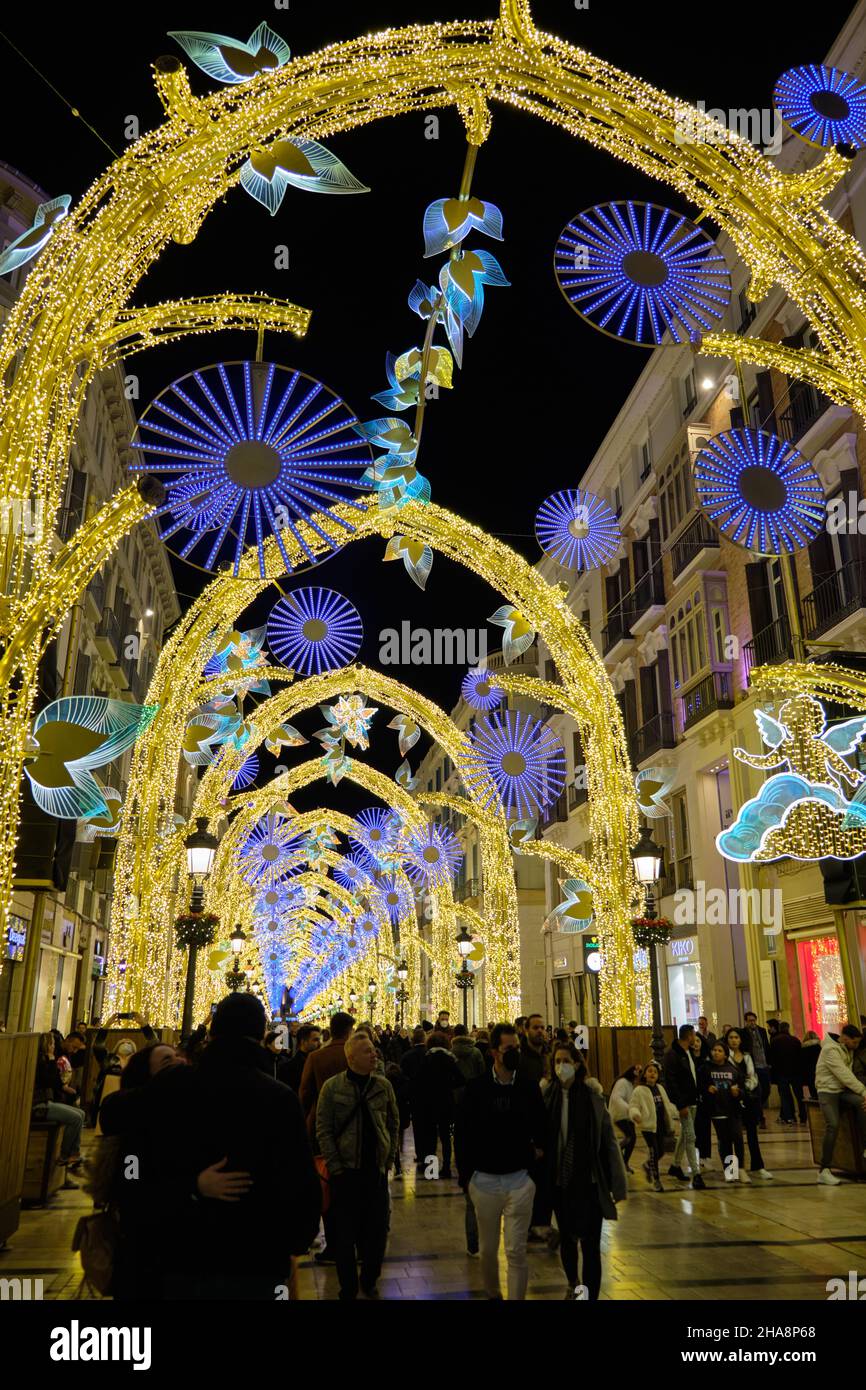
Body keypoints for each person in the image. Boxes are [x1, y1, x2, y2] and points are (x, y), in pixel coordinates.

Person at [454, 1023, 546, 1300]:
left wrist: (533, 1170)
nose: (514, 1053)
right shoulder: (477, 1089)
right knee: (488, 1249)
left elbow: (542, 1128)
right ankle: (493, 1293)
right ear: (495, 1052)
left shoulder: (528, 1087)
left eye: (517, 1048)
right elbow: (463, 1134)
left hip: (519, 1180)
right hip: (484, 1182)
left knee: (516, 1251)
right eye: (509, 1049)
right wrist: (467, 1178)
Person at [317, 1032, 399, 1300]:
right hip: (345, 1173)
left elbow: (393, 1123)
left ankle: (370, 1278)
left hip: (374, 1171)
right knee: (344, 1236)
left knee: (376, 1233)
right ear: (351, 1057)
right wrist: (335, 1166)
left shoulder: (382, 1086)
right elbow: (324, 1129)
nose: (374, 1055)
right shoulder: (332, 1087)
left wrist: (387, 1160)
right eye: (367, 1051)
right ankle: (348, 1287)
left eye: (374, 1050)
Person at [543, 1041, 626, 1299]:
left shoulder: (592, 1098)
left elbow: (609, 1142)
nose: (561, 1066)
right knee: (567, 1239)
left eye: (566, 1061)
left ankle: (589, 1295)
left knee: (590, 1245)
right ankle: (573, 1282)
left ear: (577, 1064)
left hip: (589, 1181)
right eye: (557, 1061)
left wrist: (617, 1182)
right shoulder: (547, 1097)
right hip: (560, 1181)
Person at [814, 1023, 866, 1185]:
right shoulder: (830, 1049)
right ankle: (824, 1169)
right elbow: (844, 1075)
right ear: (844, 1038)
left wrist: (862, 1096)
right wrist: (864, 1091)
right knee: (833, 1124)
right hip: (827, 1090)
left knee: (861, 1104)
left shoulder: (847, 1050)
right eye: (854, 1042)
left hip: (841, 1091)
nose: (856, 1046)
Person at [31, 1033, 86, 1171]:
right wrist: (51, 1059)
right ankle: (65, 1155)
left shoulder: (49, 1058)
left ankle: (74, 1153)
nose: (54, 1047)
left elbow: (55, 1079)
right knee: (75, 1118)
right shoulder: (41, 1060)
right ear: (47, 1046)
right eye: (52, 1045)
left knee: (81, 1114)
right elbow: (50, 1080)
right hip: (39, 1104)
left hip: (47, 1100)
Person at [723, 1028, 772, 1179]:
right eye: (731, 1037)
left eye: (736, 1037)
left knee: (752, 1133)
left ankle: (758, 1166)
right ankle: (732, 1170)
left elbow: (752, 1076)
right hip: (731, 1100)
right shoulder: (725, 1057)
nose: (734, 1040)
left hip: (748, 1099)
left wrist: (746, 1088)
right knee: (732, 1136)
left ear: (741, 1040)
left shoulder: (747, 1057)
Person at [413, 1031, 463, 1178]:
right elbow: (461, 1079)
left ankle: (432, 1170)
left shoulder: (426, 1058)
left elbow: (418, 1080)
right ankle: (446, 1167)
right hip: (446, 1101)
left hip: (429, 1102)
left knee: (431, 1137)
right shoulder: (450, 1059)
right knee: (446, 1137)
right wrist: (448, 1085)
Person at [299, 1010, 354, 1140]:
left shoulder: (315, 1057)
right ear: (349, 1032)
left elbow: (305, 1091)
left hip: (321, 1117)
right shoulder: (353, 1055)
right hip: (351, 1118)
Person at [699, 1041, 749, 1182]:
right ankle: (729, 1170)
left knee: (737, 1137)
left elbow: (743, 1089)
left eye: (719, 1050)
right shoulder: (706, 1069)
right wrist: (707, 1090)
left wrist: (737, 1093)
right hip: (717, 1109)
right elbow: (700, 1087)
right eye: (714, 1050)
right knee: (724, 1140)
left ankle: (741, 1169)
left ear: (725, 1054)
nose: (716, 1052)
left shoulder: (733, 1069)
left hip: (733, 1109)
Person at [663, 1024, 704, 1189]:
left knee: (686, 1135)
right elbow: (671, 1083)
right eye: (694, 1034)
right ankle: (696, 1174)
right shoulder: (672, 1055)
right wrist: (681, 1104)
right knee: (691, 1137)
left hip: (692, 1100)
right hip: (684, 1103)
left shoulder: (688, 1053)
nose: (696, 1037)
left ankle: (675, 1165)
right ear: (689, 1036)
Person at [628, 1061, 678, 1191]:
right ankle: (656, 1180)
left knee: (661, 1150)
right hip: (648, 1126)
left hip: (660, 1124)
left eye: (655, 1072)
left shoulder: (660, 1088)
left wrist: (675, 1112)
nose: (652, 1074)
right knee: (654, 1150)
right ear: (644, 1075)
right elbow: (633, 1106)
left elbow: (667, 1104)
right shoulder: (639, 1090)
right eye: (649, 1071)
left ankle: (647, 1165)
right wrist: (635, 1114)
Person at [770, 1021, 805, 1124]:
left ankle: (790, 1117)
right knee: (799, 1095)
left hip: (781, 1072)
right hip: (795, 1072)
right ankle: (803, 1116)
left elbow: (773, 1059)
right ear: (788, 1028)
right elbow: (800, 1057)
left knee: (785, 1096)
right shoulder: (795, 1040)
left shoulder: (775, 1041)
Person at [607, 1064, 640, 1172]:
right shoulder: (622, 1082)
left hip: (627, 1114)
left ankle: (623, 1162)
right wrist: (629, 1108)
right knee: (630, 1137)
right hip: (620, 1114)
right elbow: (617, 1098)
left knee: (632, 1138)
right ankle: (616, 1155)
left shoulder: (629, 1084)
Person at [690, 1029, 713, 1171]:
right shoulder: (688, 1059)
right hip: (692, 1098)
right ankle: (694, 1157)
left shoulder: (707, 1060)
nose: (696, 1044)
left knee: (705, 1128)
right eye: (694, 1041)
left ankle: (705, 1157)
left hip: (705, 1099)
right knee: (693, 1130)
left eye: (698, 1041)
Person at [743, 1011, 772, 1126]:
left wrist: (769, 1062)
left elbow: (766, 1046)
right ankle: (760, 1117)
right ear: (746, 1021)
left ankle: (757, 1108)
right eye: (750, 1021)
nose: (752, 1023)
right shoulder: (744, 1033)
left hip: (764, 1065)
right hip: (753, 1066)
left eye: (754, 1020)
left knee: (767, 1090)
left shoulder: (762, 1031)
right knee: (757, 1092)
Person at [277, 1024, 321, 1094]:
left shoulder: (318, 1062)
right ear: (303, 1042)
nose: (320, 1043)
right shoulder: (288, 1067)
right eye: (315, 1040)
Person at [384, 1062, 411, 1176]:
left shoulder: (385, 1083)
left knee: (391, 1138)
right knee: (398, 1134)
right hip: (402, 1113)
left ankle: (395, 1162)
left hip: (389, 1114)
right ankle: (399, 1149)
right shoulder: (405, 1082)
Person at [451, 1024, 486, 1092]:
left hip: (456, 1090)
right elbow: (482, 1072)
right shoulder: (476, 1051)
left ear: (454, 1035)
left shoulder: (449, 1053)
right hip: (474, 1089)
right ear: (467, 1034)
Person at [800, 1030, 821, 1101]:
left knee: (811, 1085)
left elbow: (802, 1062)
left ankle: (814, 1097)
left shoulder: (803, 1048)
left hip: (809, 1070)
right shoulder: (818, 1047)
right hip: (819, 1069)